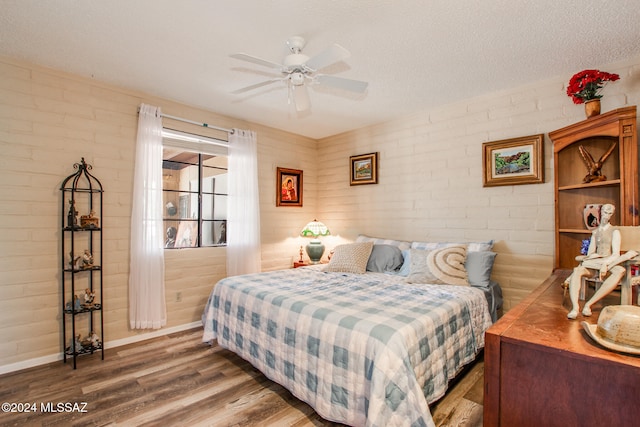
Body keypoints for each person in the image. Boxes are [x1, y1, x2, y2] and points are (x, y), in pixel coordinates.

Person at [566, 204, 636, 319]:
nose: (606, 215)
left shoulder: (614, 231)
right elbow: (590, 253)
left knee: (620, 271)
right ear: (600, 212)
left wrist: (606, 264)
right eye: (604, 212)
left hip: (608, 260)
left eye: (609, 213)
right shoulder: (595, 232)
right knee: (577, 270)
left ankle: (589, 304)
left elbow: (615, 254)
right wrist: (593, 257)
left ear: (612, 215)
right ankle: (575, 307)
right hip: (596, 262)